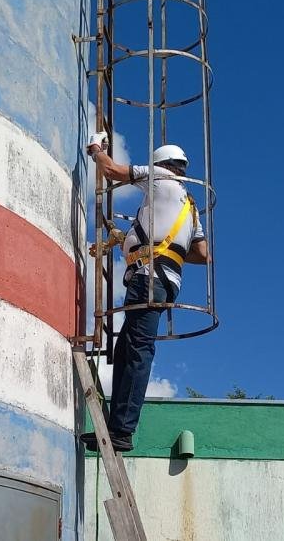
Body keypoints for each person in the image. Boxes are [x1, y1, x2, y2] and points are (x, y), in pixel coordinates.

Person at [82, 131, 211, 452]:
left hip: (147, 277)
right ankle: (116, 428)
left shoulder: (156, 177)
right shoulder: (190, 205)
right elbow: (202, 254)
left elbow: (111, 171)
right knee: (127, 349)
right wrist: (140, 240)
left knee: (137, 350)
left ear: (161, 165)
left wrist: (97, 149)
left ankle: (122, 432)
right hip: (167, 280)